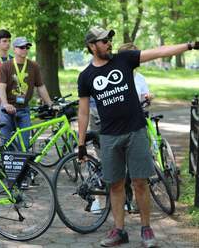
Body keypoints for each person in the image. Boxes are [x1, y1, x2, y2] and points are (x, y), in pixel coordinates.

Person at [77, 26, 198, 248]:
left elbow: (159, 52)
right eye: (103, 41)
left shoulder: (124, 59)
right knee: (115, 185)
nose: (109, 44)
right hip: (109, 137)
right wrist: (81, 144)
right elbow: (83, 112)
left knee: (140, 182)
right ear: (92, 46)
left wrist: (190, 45)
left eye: (109, 40)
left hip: (135, 131)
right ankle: (119, 231)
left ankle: (146, 229)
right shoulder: (86, 76)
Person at [0, 37, 53, 149]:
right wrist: (5, 104)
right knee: (7, 144)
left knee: (24, 145)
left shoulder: (33, 66)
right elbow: (1, 87)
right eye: (22, 47)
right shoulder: (6, 66)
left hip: (24, 109)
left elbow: (41, 86)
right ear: (14, 49)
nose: (25, 50)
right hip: (7, 110)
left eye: (27, 47)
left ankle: (22, 166)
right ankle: (4, 165)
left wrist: (50, 104)